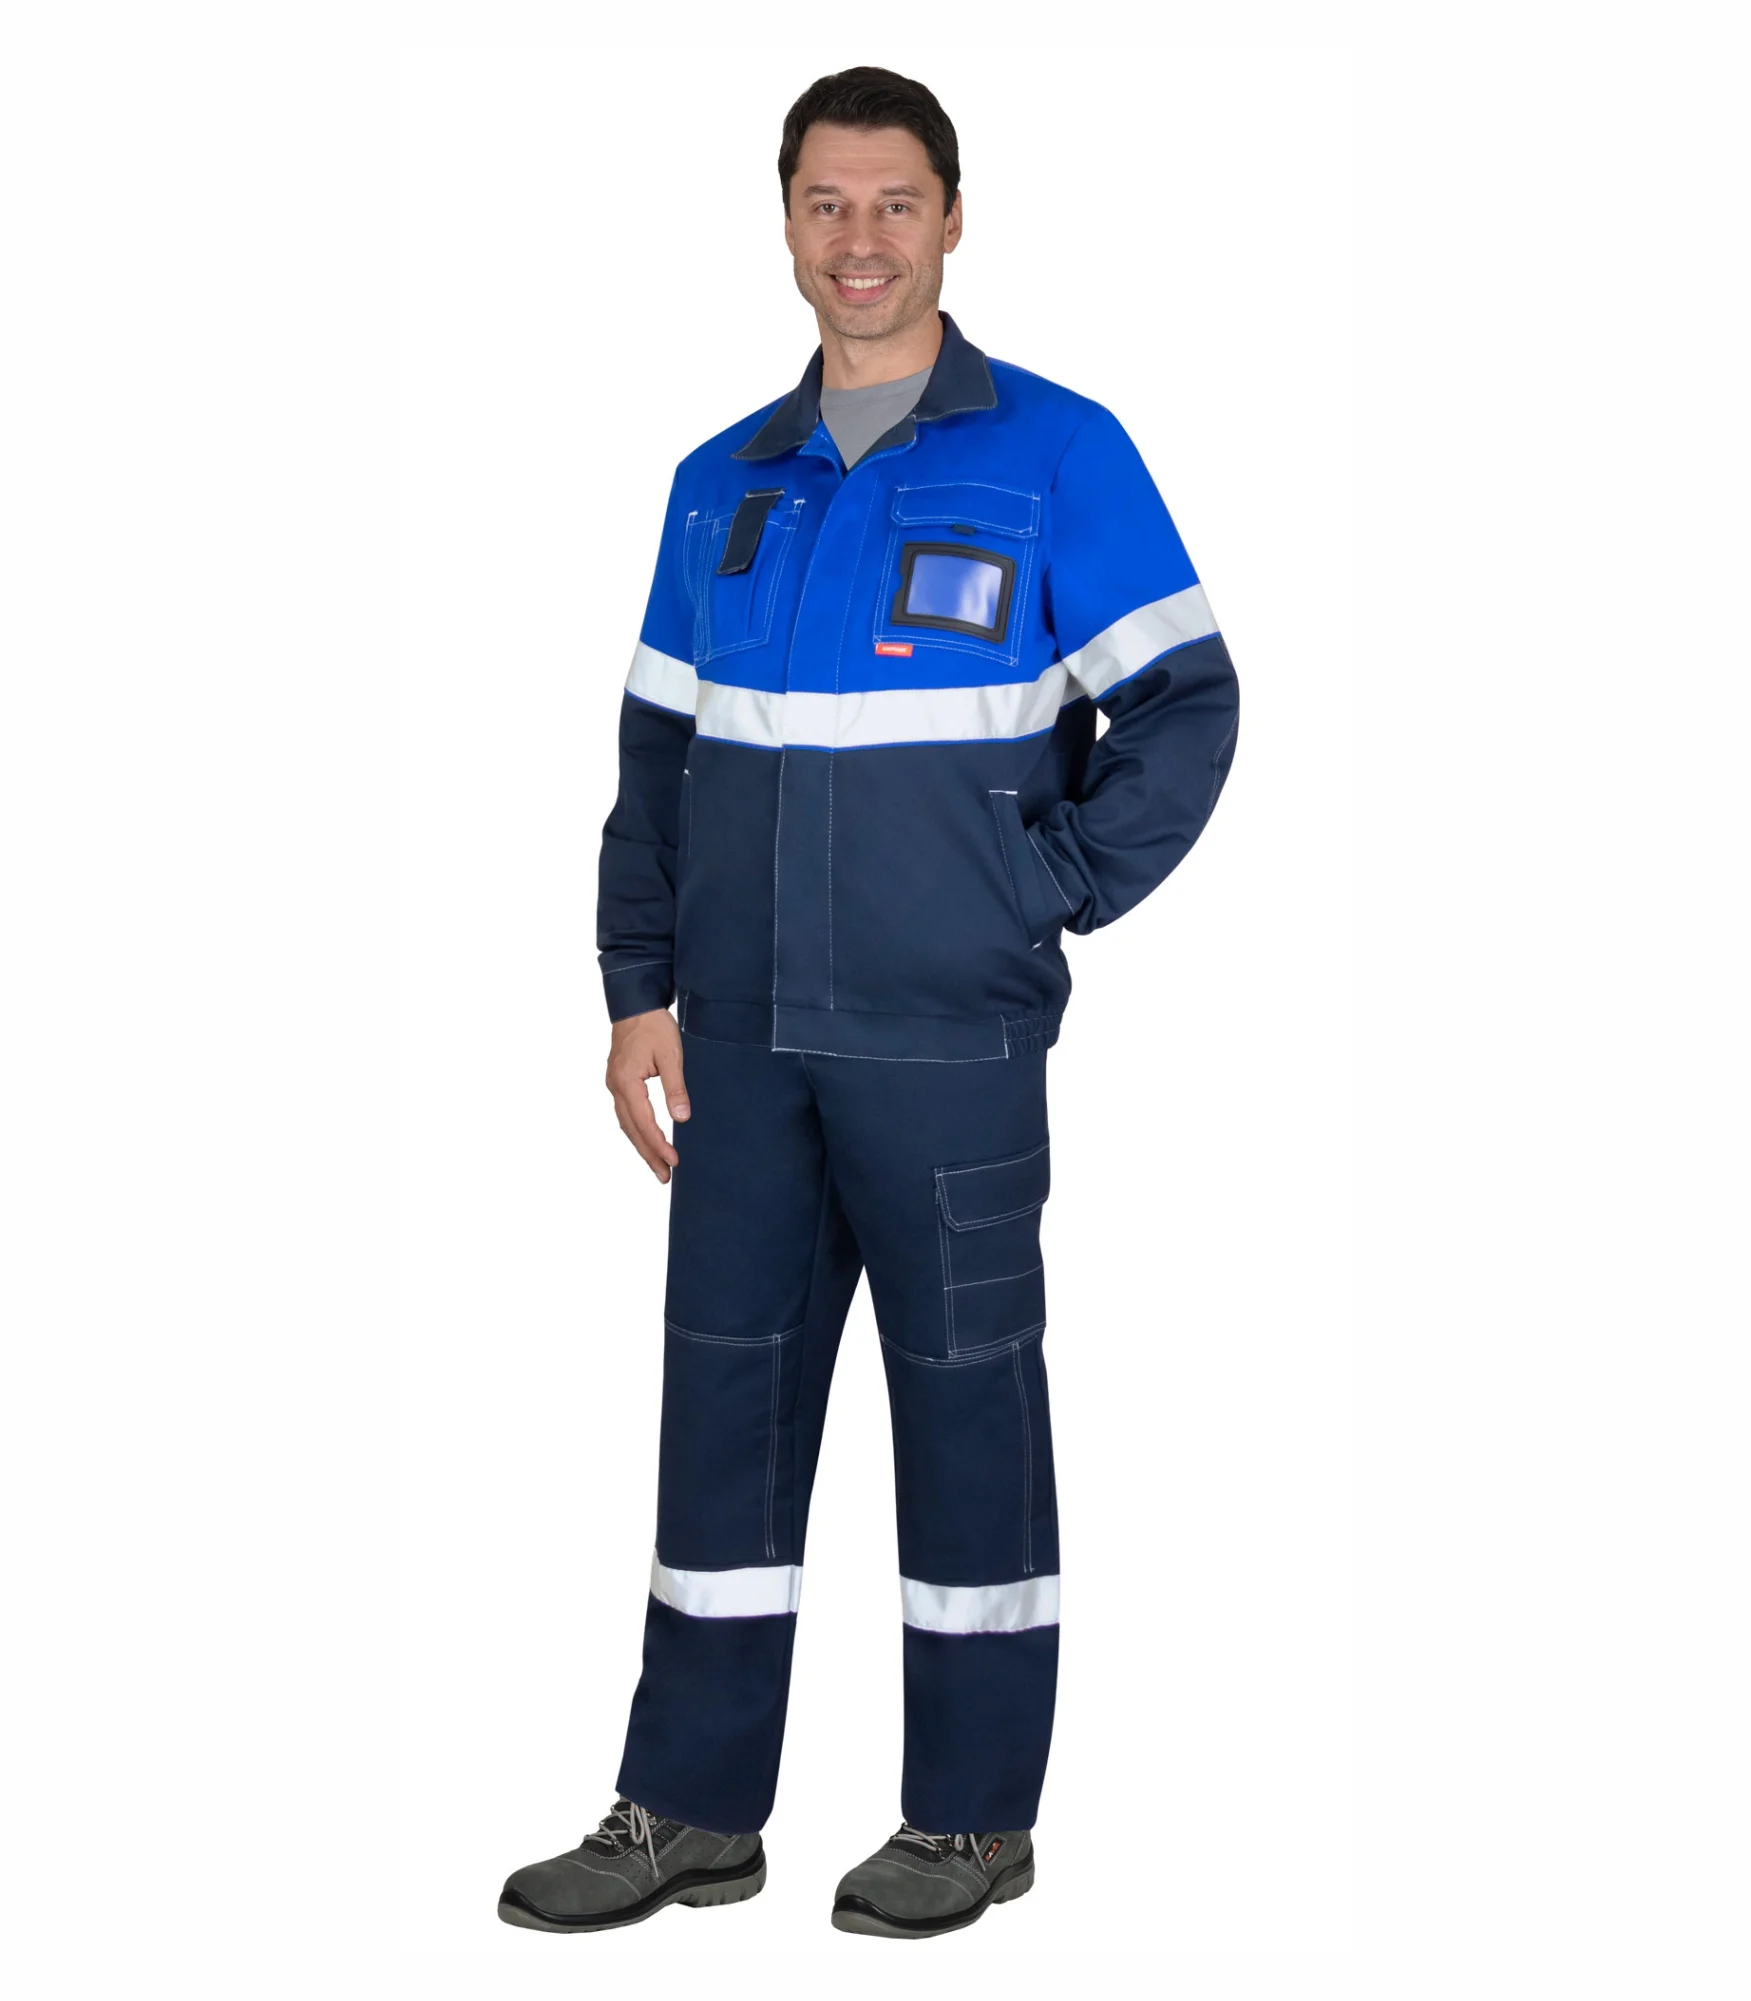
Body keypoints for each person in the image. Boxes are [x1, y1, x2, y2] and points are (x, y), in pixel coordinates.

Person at [498, 65, 1240, 1940]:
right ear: (785, 224)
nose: (860, 240)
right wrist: (636, 988)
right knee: (721, 1406)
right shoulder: (721, 483)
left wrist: (1037, 890)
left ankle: (971, 1821)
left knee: (965, 1407)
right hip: (740, 1043)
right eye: (825, 203)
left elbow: (1186, 702)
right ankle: (687, 1808)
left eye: (894, 202)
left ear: (953, 219)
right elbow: (654, 759)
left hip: (945, 1039)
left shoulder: (1057, 452)